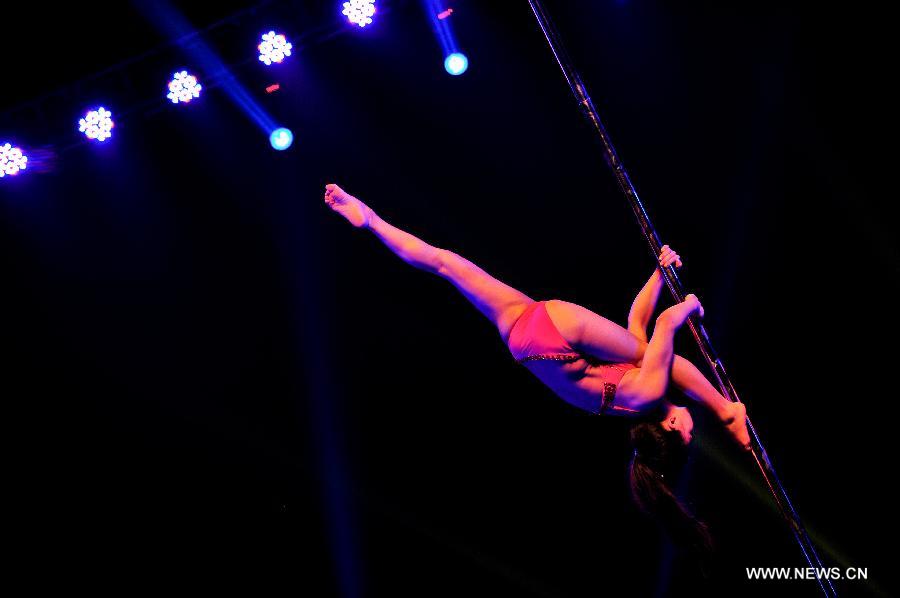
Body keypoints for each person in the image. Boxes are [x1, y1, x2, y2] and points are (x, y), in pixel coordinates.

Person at [324, 183, 750, 548]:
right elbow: (642, 322)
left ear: (673, 427)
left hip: (555, 333)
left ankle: (727, 411)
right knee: (445, 263)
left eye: (691, 435)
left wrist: (691, 305)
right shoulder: (635, 395)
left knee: (657, 353)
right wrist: (661, 278)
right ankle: (371, 220)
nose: (693, 434)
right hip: (525, 340)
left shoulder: (649, 393)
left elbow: (664, 324)